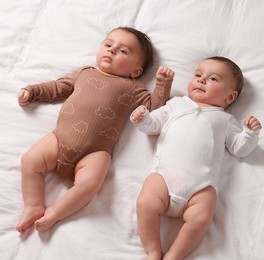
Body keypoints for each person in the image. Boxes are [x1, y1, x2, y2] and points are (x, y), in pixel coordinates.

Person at [16, 26, 175, 233]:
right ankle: (33, 205)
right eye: (108, 45)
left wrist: (163, 84)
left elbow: (154, 108)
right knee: (29, 160)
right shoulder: (84, 73)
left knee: (89, 185)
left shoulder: (133, 88)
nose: (111, 50)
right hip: (59, 139)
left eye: (123, 51)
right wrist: (32, 91)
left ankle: (56, 213)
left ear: (136, 71)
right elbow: (57, 88)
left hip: (95, 152)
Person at [130, 56, 262, 260]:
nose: (201, 80)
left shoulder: (225, 120)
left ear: (230, 97)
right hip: (163, 179)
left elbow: (239, 148)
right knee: (145, 203)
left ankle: (175, 255)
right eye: (198, 75)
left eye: (213, 79)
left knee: (201, 219)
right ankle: (153, 250)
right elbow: (154, 125)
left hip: (200, 187)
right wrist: (144, 119)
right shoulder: (176, 105)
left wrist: (249, 135)